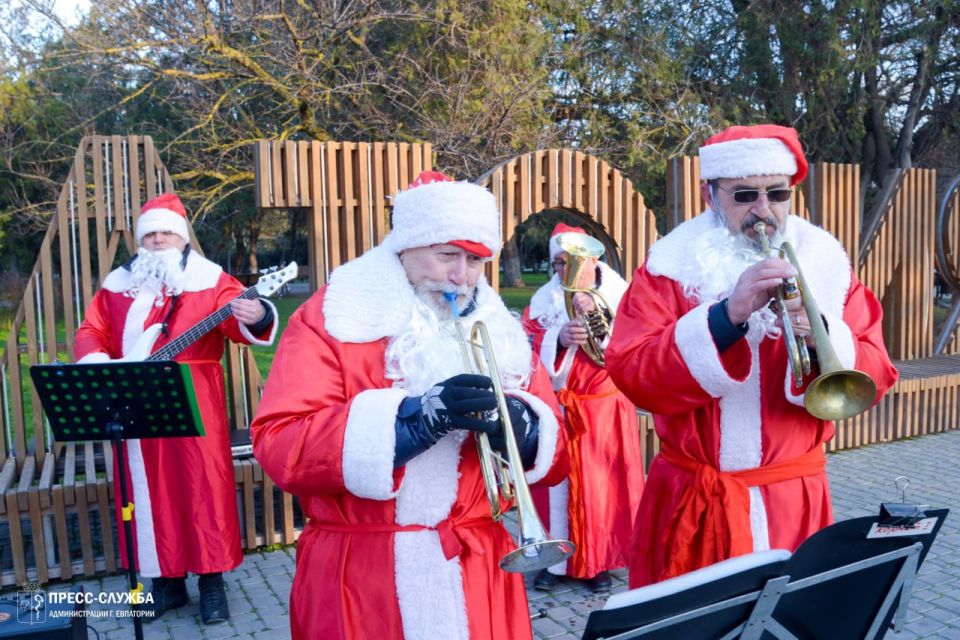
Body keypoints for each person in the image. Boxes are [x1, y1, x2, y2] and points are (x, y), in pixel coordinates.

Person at [250, 171, 568, 640]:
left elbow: (556, 456)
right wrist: (414, 421)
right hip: (363, 578)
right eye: (447, 257)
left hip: (477, 570)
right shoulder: (334, 316)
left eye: (476, 261)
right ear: (406, 248)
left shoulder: (497, 326)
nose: (462, 277)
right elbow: (280, 445)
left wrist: (522, 428)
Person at [605, 124, 899, 588]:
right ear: (710, 194)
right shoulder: (668, 268)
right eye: (744, 195)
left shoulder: (826, 264)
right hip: (694, 500)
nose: (763, 212)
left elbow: (877, 368)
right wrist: (725, 319)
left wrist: (822, 331)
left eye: (777, 194)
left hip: (793, 500)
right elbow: (631, 371)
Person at [74, 193, 278, 624]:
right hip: (133, 403)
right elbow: (92, 330)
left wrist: (257, 313)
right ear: (141, 240)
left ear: (182, 237)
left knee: (202, 488)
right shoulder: (117, 285)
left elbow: (242, 323)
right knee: (148, 495)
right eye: (151, 234)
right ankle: (165, 584)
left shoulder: (210, 278)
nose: (160, 239)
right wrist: (96, 362)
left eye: (167, 231)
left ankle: (211, 583)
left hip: (195, 401)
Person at [521, 223, 645, 593]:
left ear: (591, 258)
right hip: (560, 407)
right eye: (557, 264)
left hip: (604, 409)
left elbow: (632, 346)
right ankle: (556, 563)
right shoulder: (544, 299)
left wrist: (598, 319)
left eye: (569, 261)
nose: (562, 271)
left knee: (603, 488)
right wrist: (557, 340)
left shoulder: (618, 294)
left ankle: (600, 561)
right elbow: (526, 340)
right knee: (555, 487)